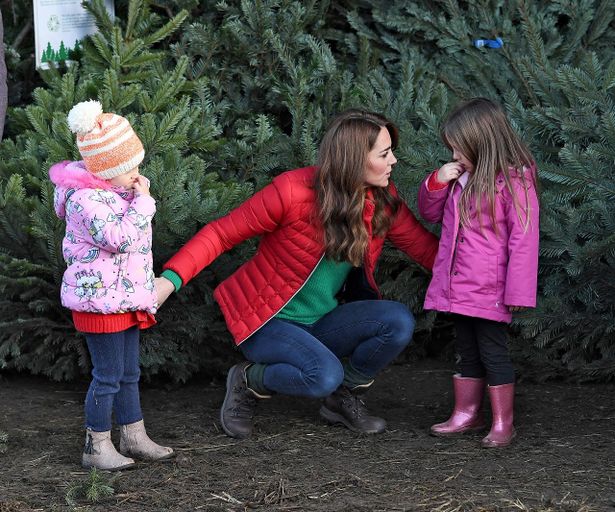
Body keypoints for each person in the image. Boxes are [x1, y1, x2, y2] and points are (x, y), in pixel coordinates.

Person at [156, 109, 439, 438]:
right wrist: (169, 280)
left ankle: (341, 398)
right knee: (323, 376)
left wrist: (487, 279)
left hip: (321, 322)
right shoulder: (291, 192)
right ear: (354, 158)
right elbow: (221, 234)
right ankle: (249, 380)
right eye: (384, 153)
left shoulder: (382, 202)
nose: (393, 161)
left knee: (397, 321)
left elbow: (426, 250)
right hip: (268, 322)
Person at [50, 100, 174, 470]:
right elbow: (119, 238)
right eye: (129, 167)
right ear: (105, 170)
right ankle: (96, 446)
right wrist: (144, 203)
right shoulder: (86, 200)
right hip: (98, 302)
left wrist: (135, 196)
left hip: (123, 297)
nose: (137, 173)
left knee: (129, 373)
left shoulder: (115, 193)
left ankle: (133, 436)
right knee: (107, 376)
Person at [418, 97, 539, 448]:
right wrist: (437, 181)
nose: (454, 157)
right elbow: (430, 213)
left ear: (480, 144)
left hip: (490, 290)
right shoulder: (459, 178)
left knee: (493, 353)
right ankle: (466, 414)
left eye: (459, 151)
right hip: (459, 288)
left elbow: (525, 241)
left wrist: (517, 294)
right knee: (466, 351)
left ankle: (503, 422)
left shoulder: (515, 183)